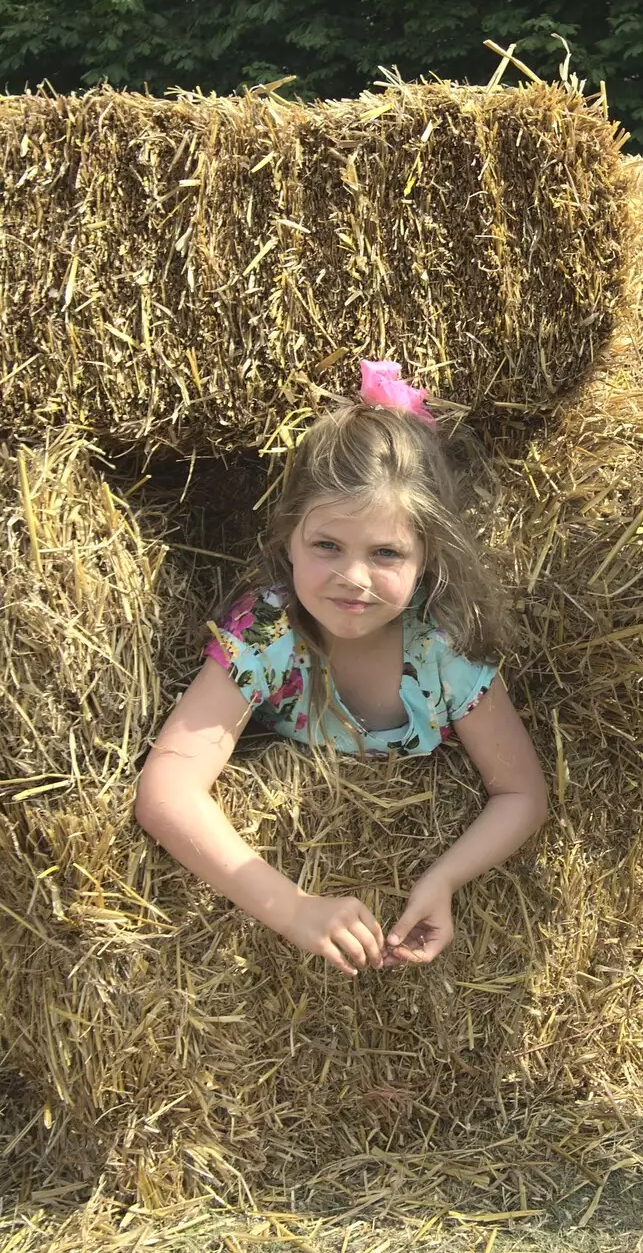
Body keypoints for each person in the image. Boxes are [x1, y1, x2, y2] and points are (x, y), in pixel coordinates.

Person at [137, 362, 548, 975]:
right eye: (327, 545)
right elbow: (167, 790)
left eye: (385, 554)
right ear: (289, 538)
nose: (352, 578)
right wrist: (292, 907)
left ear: (426, 556)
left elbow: (521, 792)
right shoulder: (268, 633)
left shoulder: (444, 650)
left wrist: (445, 879)